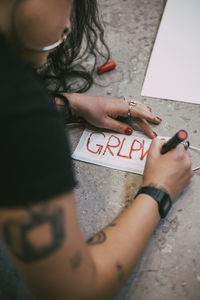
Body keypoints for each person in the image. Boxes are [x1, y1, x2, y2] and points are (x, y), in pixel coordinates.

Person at [0, 0, 193, 299]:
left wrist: (68, 104)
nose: (68, 25)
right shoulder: (22, 119)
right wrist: (159, 189)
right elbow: (73, 290)